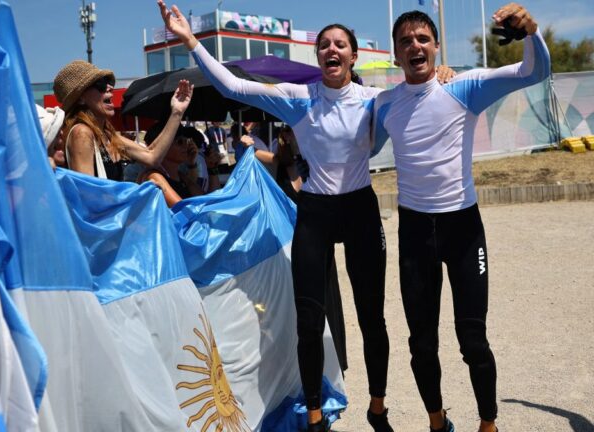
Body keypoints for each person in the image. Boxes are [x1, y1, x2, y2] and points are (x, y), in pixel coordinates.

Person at [158, 2, 445, 431]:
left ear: (352, 57)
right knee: (308, 320)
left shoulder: (374, 101)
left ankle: (378, 407)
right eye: (324, 45)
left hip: (360, 208)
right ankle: (314, 414)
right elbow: (234, 86)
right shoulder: (299, 99)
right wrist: (190, 40)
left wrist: (444, 75)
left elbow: (418, 92)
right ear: (318, 57)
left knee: (372, 318)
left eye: (340, 45)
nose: (332, 49)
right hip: (316, 212)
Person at [372, 4, 549, 432]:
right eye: (405, 41)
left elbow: (533, 72)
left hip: (464, 230)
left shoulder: (464, 86)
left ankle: (488, 424)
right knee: (421, 344)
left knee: (473, 339)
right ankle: (438, 423)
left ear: (435, 47)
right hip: (415, 232)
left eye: (422, 39)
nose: (414, 45)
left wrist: (531, 34)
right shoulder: (382, 104)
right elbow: (353, 144)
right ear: (396, 55)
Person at [52, 60, 192, 180]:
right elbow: (88, 194)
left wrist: (177, 112)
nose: (110, 87)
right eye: (100, 84)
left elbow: (151, 156)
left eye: (108, 82)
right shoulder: (81, 132)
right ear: (81, 98)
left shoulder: (106, 134)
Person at [138, 125, 221, 207]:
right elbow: (182, 209)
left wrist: (212, 168)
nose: (186, 146)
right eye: (180, 142)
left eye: (187, 141)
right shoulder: (153, 176)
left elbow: (209, 202)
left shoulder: (181, 177)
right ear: (162, 146)